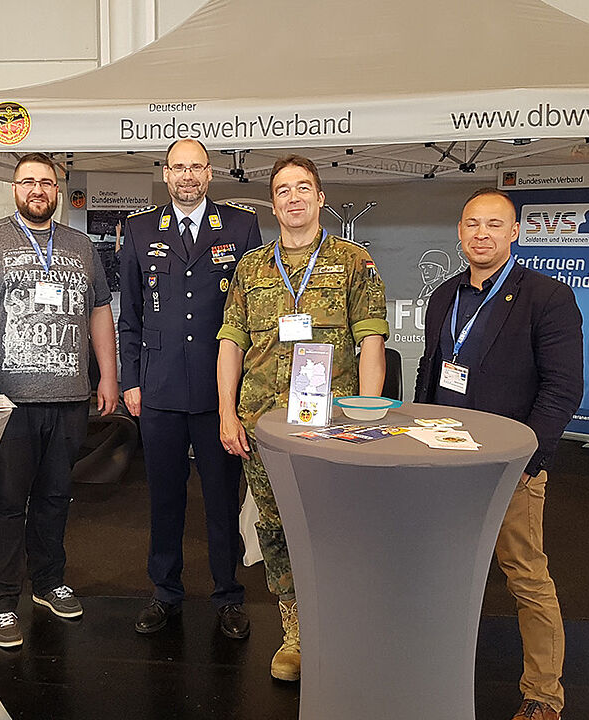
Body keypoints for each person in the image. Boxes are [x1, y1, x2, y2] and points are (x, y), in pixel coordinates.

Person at [216, 155, 388, 680]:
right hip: (263, 429)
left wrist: (364, 422)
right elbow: (231, 345)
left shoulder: (355, 262)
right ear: (273, 203)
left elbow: (373, 345)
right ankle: (294, 633)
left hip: (331, 429)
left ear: (320, 197)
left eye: (303, 188)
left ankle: (338, 627)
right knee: (274, 527)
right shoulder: (250, 268)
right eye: (283, 190)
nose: (293, 198)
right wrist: (226, 412)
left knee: (335, 528)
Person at [414, 187, 583, 720]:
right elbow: (431, 373)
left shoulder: (547, 297)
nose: (480, 234)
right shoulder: (444, 295)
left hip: (512, 467)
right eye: (471, 224)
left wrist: (529, 461)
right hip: (446, 461)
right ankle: (435, 671)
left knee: (527, 578)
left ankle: (542, 696)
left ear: (514, 233)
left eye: (493, 224)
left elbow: (562, 388)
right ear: (459, 232)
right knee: (442, 572)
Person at [0, 152, 120, 650]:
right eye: (28, 181)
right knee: (5, 504)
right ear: (14, 188)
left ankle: (48, 583)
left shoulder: (81, 246)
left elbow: (99, 316)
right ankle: (1, 603)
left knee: (54, 499)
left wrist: (107, 376)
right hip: (10, 401)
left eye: (47, 181)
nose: (37, 189)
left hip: (69, 397)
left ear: (59, 189)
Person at [118, 138, 262, 640]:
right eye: (177, 167)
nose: (186, 176)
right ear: (165, 173)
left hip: (217, 392)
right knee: (164, 497)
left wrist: (239, 394)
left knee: (222, 498)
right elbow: (129, 315)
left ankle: (227, 595)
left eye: (196, 167)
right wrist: (130, 379)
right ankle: (165, 592)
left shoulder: (241, 227)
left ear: (210, 173)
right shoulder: (137, 229)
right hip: (157, 389)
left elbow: (250, 312)